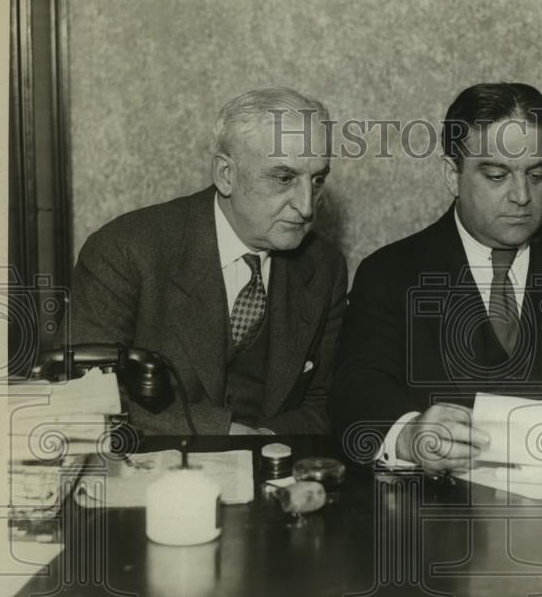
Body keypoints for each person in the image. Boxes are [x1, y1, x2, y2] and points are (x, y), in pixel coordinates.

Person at [331, 82, 542, 472]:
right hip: (440, 516)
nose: (521, 196)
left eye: (536, 174)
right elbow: (358, 388)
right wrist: (411, 434)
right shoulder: (390, 274)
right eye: (497, 175)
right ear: (453, 174)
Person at [64, 87, 347, 435]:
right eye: (284, 178)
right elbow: (83, 395)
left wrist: (266, 444)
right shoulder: (124, 250)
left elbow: (324, 402)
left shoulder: (324, 267)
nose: (306, 206)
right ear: (226, 175)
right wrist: (223, 432)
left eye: (317, 180)